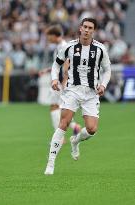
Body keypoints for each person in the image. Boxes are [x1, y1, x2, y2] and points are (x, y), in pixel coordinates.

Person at [44, 18, 111, 175]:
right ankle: (51, 163)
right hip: (72, 90)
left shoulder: (100, 49)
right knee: (64, 123)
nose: (87, 30)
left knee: (92, 129)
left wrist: (103, 85)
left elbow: (108, 70)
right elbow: (56, 64)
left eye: (90, 28)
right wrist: (54, 78)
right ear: (80, 28)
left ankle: (75, 141)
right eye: (85, 27)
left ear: (93, 31)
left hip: (91, 93)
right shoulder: (70, 46)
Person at [39, 25, 81, 140]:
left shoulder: (62, 46)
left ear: (54, 35)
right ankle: (74, 126)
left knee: (54, 107)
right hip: (60, 80)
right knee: (61, 108)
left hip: (60, 81)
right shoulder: (60, 46)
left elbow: (67, 64)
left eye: (49, 36)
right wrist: (47, 70)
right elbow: (58, 63)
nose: (48, 39)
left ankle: (59, 138)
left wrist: (64, 81)